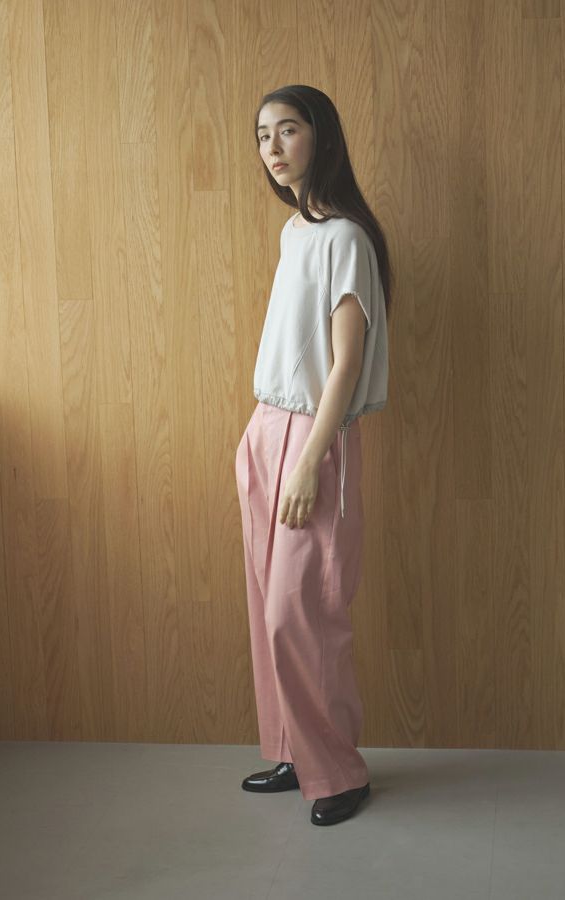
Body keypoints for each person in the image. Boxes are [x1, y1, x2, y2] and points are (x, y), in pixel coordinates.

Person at [235, 85, 391, 826]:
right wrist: (260, 444)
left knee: (300, 613)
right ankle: (296, 753)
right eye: (262, 134)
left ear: (321, 137)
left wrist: (306, 461)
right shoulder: (295, 232)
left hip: (313, 437)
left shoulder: (346, 238)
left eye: (287, 130)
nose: (272, 147)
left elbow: (345, 365)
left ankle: (339, 772)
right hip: (267, 429)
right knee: (265, 602)